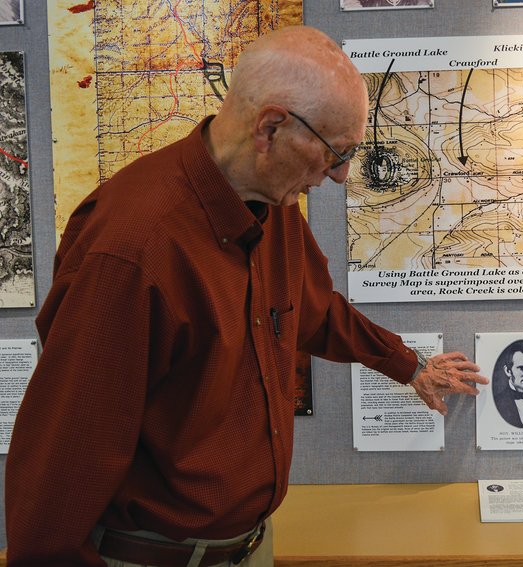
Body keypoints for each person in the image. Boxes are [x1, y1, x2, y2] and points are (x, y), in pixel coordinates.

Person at [5, 26, 488, 566]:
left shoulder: (272, 205)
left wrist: (409, 364)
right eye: (335, 154)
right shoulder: (131, 248)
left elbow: (313, 309)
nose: (342, 177)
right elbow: (60, 463)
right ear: (271, 127)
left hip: (248, 546)